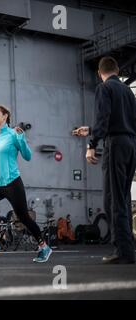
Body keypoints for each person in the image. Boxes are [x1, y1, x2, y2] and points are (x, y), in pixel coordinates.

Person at [72, 56, 136, 264]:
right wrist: (91, 130)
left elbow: (104, 117)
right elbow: (121, 120)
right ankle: (128, 249)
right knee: (123, 198)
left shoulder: (104, 88)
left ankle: (122, 252)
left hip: (115, 145)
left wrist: (92, 144)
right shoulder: (128, 91)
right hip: (131, 145)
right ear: (117, 70)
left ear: (100, 74)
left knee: (113, 200)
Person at [0, 105, 52, 262]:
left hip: (12, 183)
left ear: (5, 116)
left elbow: (27, 156)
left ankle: (43, 247)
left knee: (24, 217)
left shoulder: (14, 134)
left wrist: (21, 140)